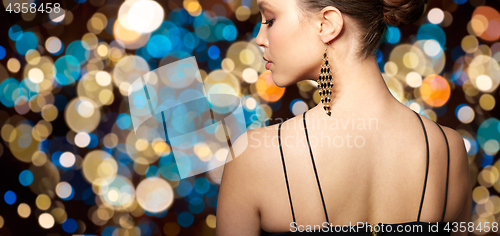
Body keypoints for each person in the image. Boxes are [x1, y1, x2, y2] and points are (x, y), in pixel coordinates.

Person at [216, 0, 472, 235]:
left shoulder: (253, 156)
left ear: (327, 24)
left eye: (270, 20)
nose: (260, 38)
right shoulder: (449, 148)